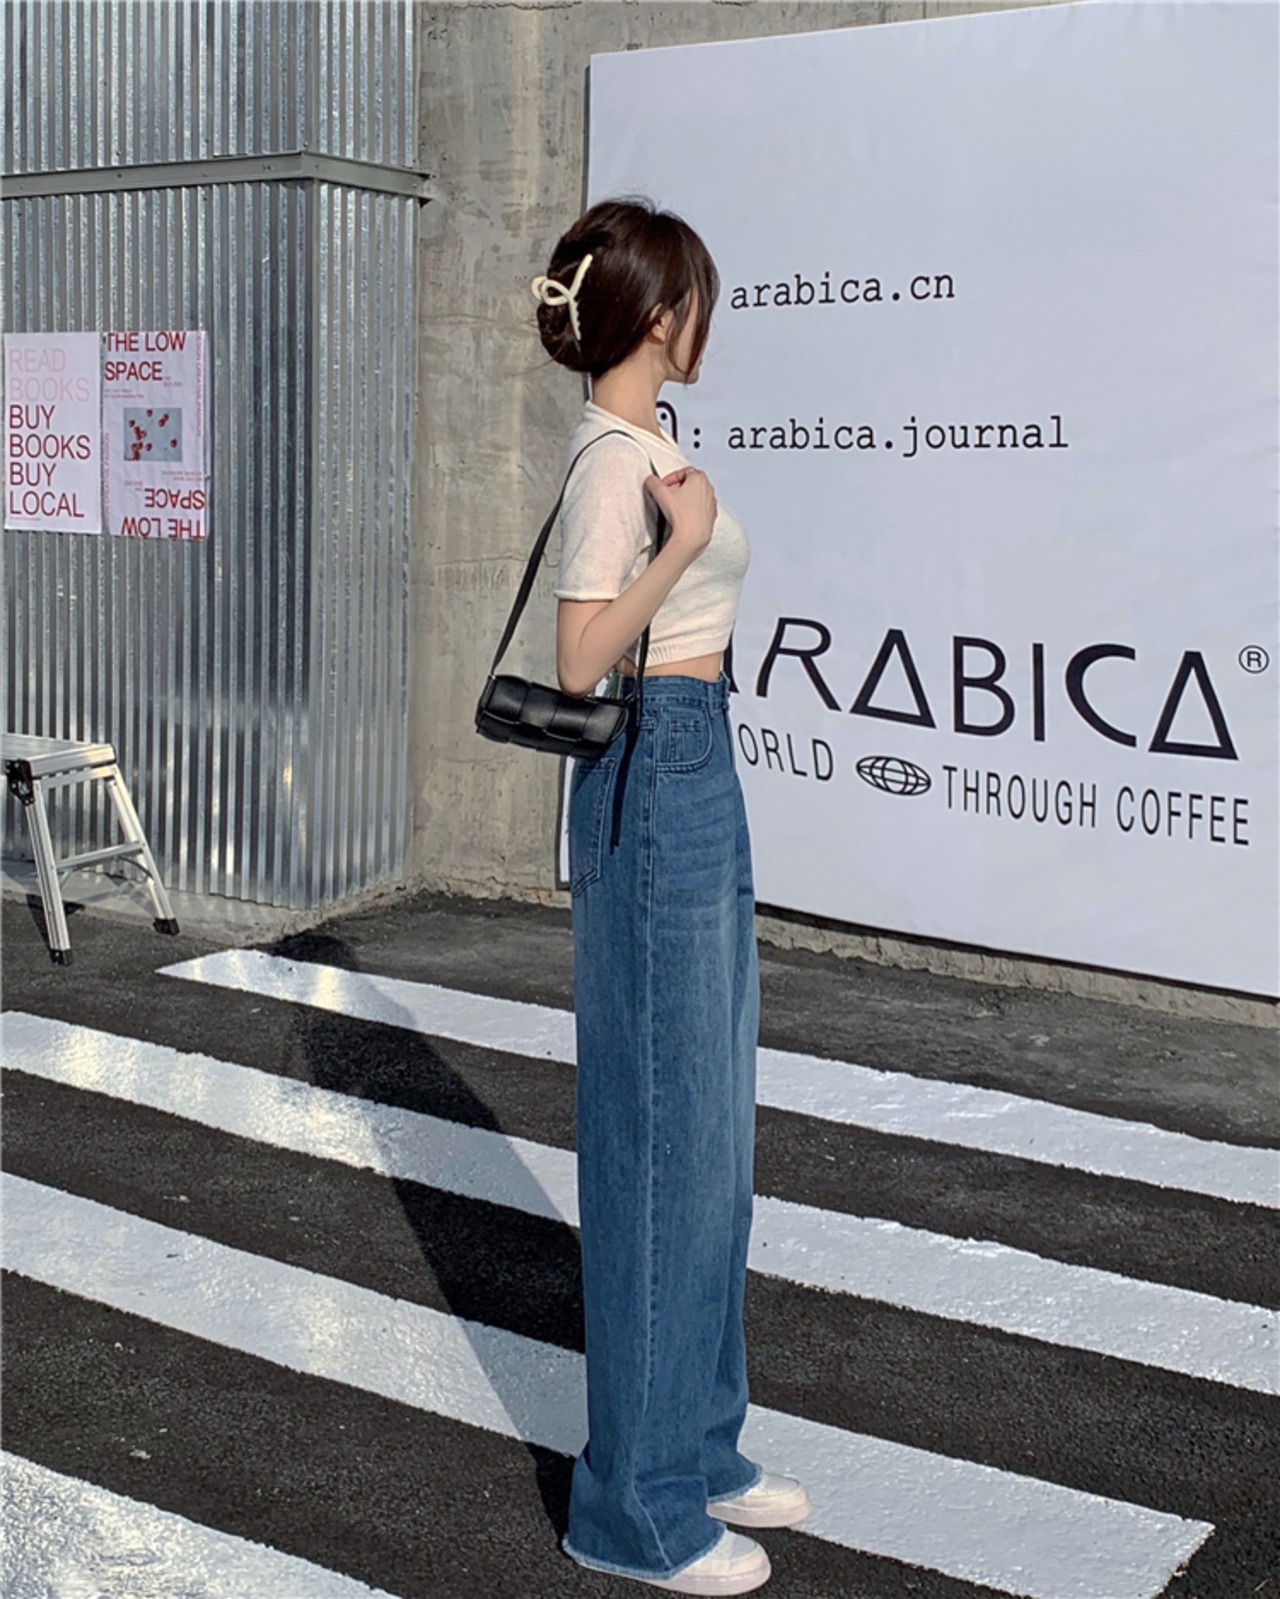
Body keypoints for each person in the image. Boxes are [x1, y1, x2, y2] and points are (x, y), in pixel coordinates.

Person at [530, 197, 811, 1596]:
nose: (709, 322)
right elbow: (580, 661)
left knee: (714, 1130)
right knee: (659, 1137)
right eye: (697, 298)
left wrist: (684, 535)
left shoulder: (651, 447)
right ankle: (630, 1509)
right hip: (654, 760)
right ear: (655, 313)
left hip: (698, 759)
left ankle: (698, 1446)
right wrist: (679, 548)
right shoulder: (611, 461)